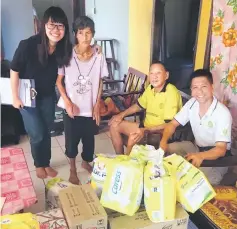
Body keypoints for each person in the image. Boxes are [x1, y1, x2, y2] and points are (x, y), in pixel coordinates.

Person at [11, 7, 72, 179]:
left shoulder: (63, 48)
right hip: (26, 97)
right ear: (43, 25)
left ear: (65, 29)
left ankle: (46, 162)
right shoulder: (28, 45)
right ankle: (39, 164)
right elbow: (14, 70)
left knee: (47, 130)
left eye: (60, 26)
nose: (56, 30)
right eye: (52, 25)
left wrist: (95, 49)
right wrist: (15, 96)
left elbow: (79, 54)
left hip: (47, 96)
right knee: (37, 132)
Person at [56, 16, 108, 185]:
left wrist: (97, 103)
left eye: (88, 33)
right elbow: (58, 81)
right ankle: (72, 169)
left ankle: (86, 162)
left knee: (89, 140)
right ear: (75, 34)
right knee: (71, 142)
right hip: (72, 108)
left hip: (90, 108)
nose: (85, 37)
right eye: (81, 33)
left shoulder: (99, 55)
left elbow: (100, 80)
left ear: (92, 34)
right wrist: (68, 102)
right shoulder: (67, 55)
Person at [160, 69, 233, 185]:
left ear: (212, 87)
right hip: (196, 148)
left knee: (195, 184)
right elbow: (172, 124)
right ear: (191, 90)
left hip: (217, 159)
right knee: (165, 151)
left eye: (203, 86)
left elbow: (221, 149)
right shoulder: (192, 103)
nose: (199, 91)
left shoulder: (222, 113)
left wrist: (201, 156)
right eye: (195, 87)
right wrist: (163, 142)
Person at [109, 62, 182, 155]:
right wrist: (121, 115)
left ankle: (134, 154)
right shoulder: (150, 88)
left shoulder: (171, 92)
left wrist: (147, 130)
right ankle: (121, 159)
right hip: (145, 128)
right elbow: (139, 106)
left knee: (131, 140)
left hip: (159, 133)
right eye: (152, 73)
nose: (154, 77)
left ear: (166, 75)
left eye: (158, 73)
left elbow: (170, 124)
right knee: (114, 125)